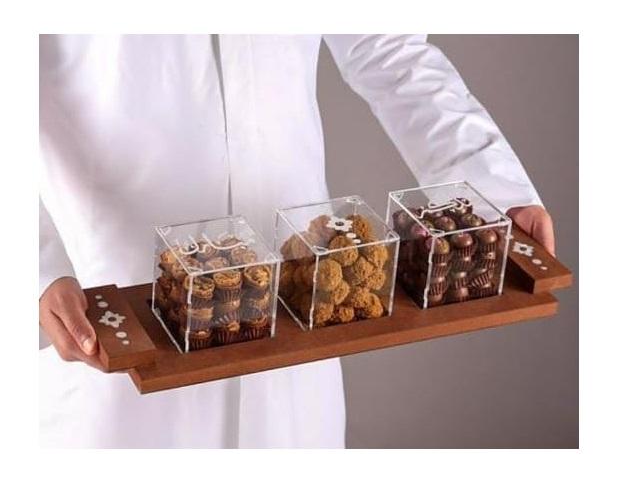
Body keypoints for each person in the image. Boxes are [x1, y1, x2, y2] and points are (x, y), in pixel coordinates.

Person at [39, 34, 554, 448]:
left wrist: (492, 195)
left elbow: (388, 47)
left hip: (297, 295)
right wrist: (37, 267)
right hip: (112, 300)